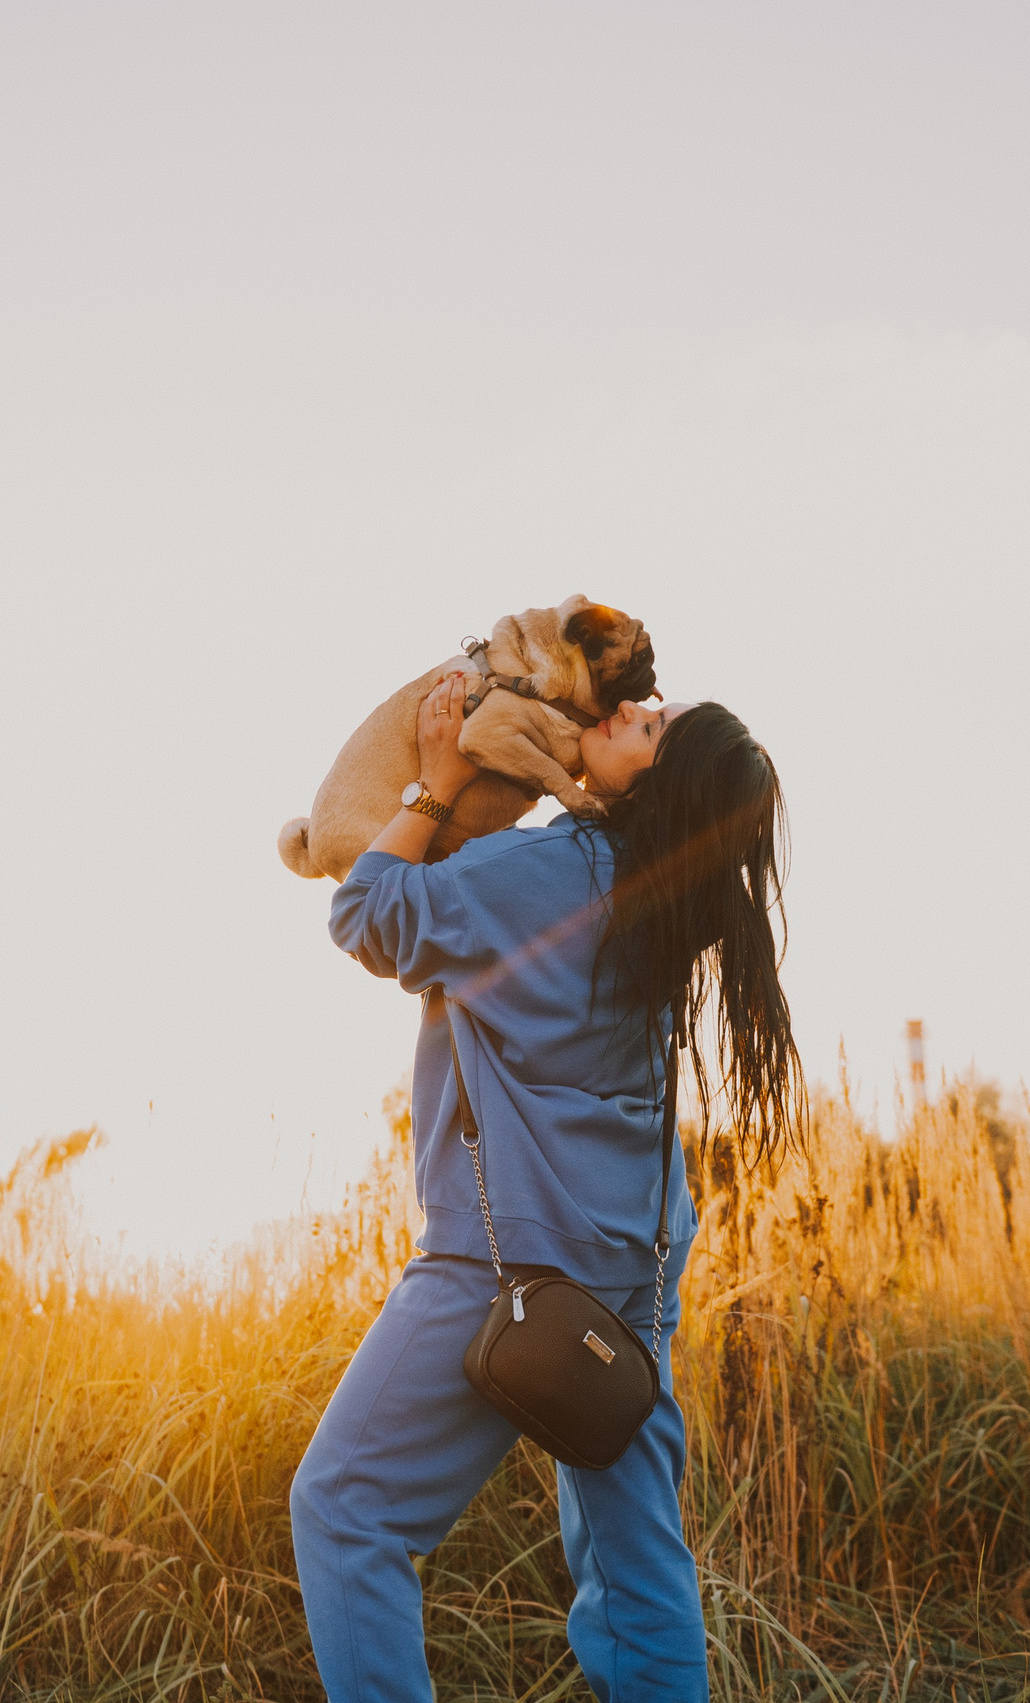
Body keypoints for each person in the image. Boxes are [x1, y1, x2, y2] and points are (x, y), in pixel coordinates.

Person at [291, 673, 805, 1703]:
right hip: (635, 1260)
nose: (625, 709)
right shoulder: (678, 903)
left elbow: (367, 914)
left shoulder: (555, 867)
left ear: (658, 785)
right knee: (635, 1555)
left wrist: (435, 783)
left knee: (346, 1507)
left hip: (506, 1257)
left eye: (651, 727)